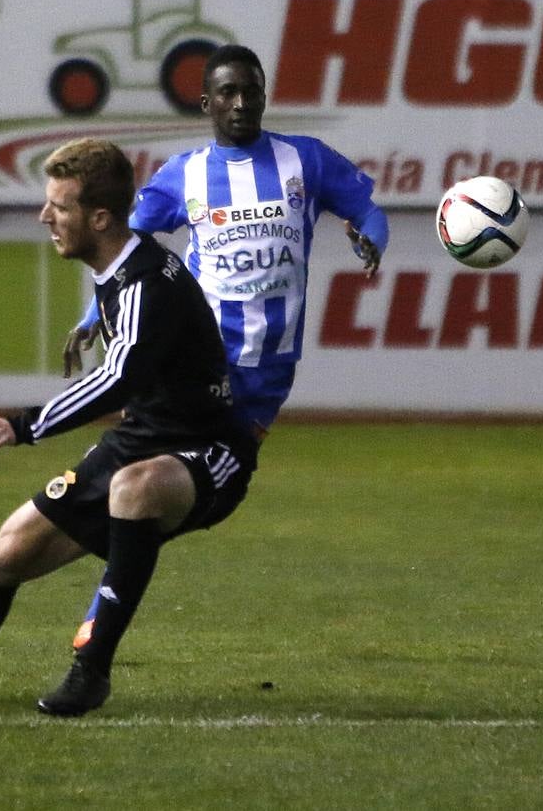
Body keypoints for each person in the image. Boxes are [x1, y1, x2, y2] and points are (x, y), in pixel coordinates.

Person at [0, 137, 258, 719]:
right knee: (2, 555)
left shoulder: (148, 282)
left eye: (59, 206)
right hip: (141, 440)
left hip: (210, 450)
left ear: (99, 218)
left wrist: (23, 425)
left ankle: (91, 670)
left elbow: (119, 378)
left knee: (135, 489)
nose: (45, 217)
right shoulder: (120, 270)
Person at [65, 44, 389, 649]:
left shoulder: (306, 160)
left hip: (268, 375)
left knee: (170, 495)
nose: (242, 103)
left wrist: (372, 238)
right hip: (195, 364)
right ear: (207, 102)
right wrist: (93, 312)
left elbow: (369, 210)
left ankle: (94, 570)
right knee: (149, 485)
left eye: (252, 90)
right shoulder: (184, 175)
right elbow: (125, 256)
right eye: (229, 93)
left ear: (264, 94)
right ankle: (97, 613)